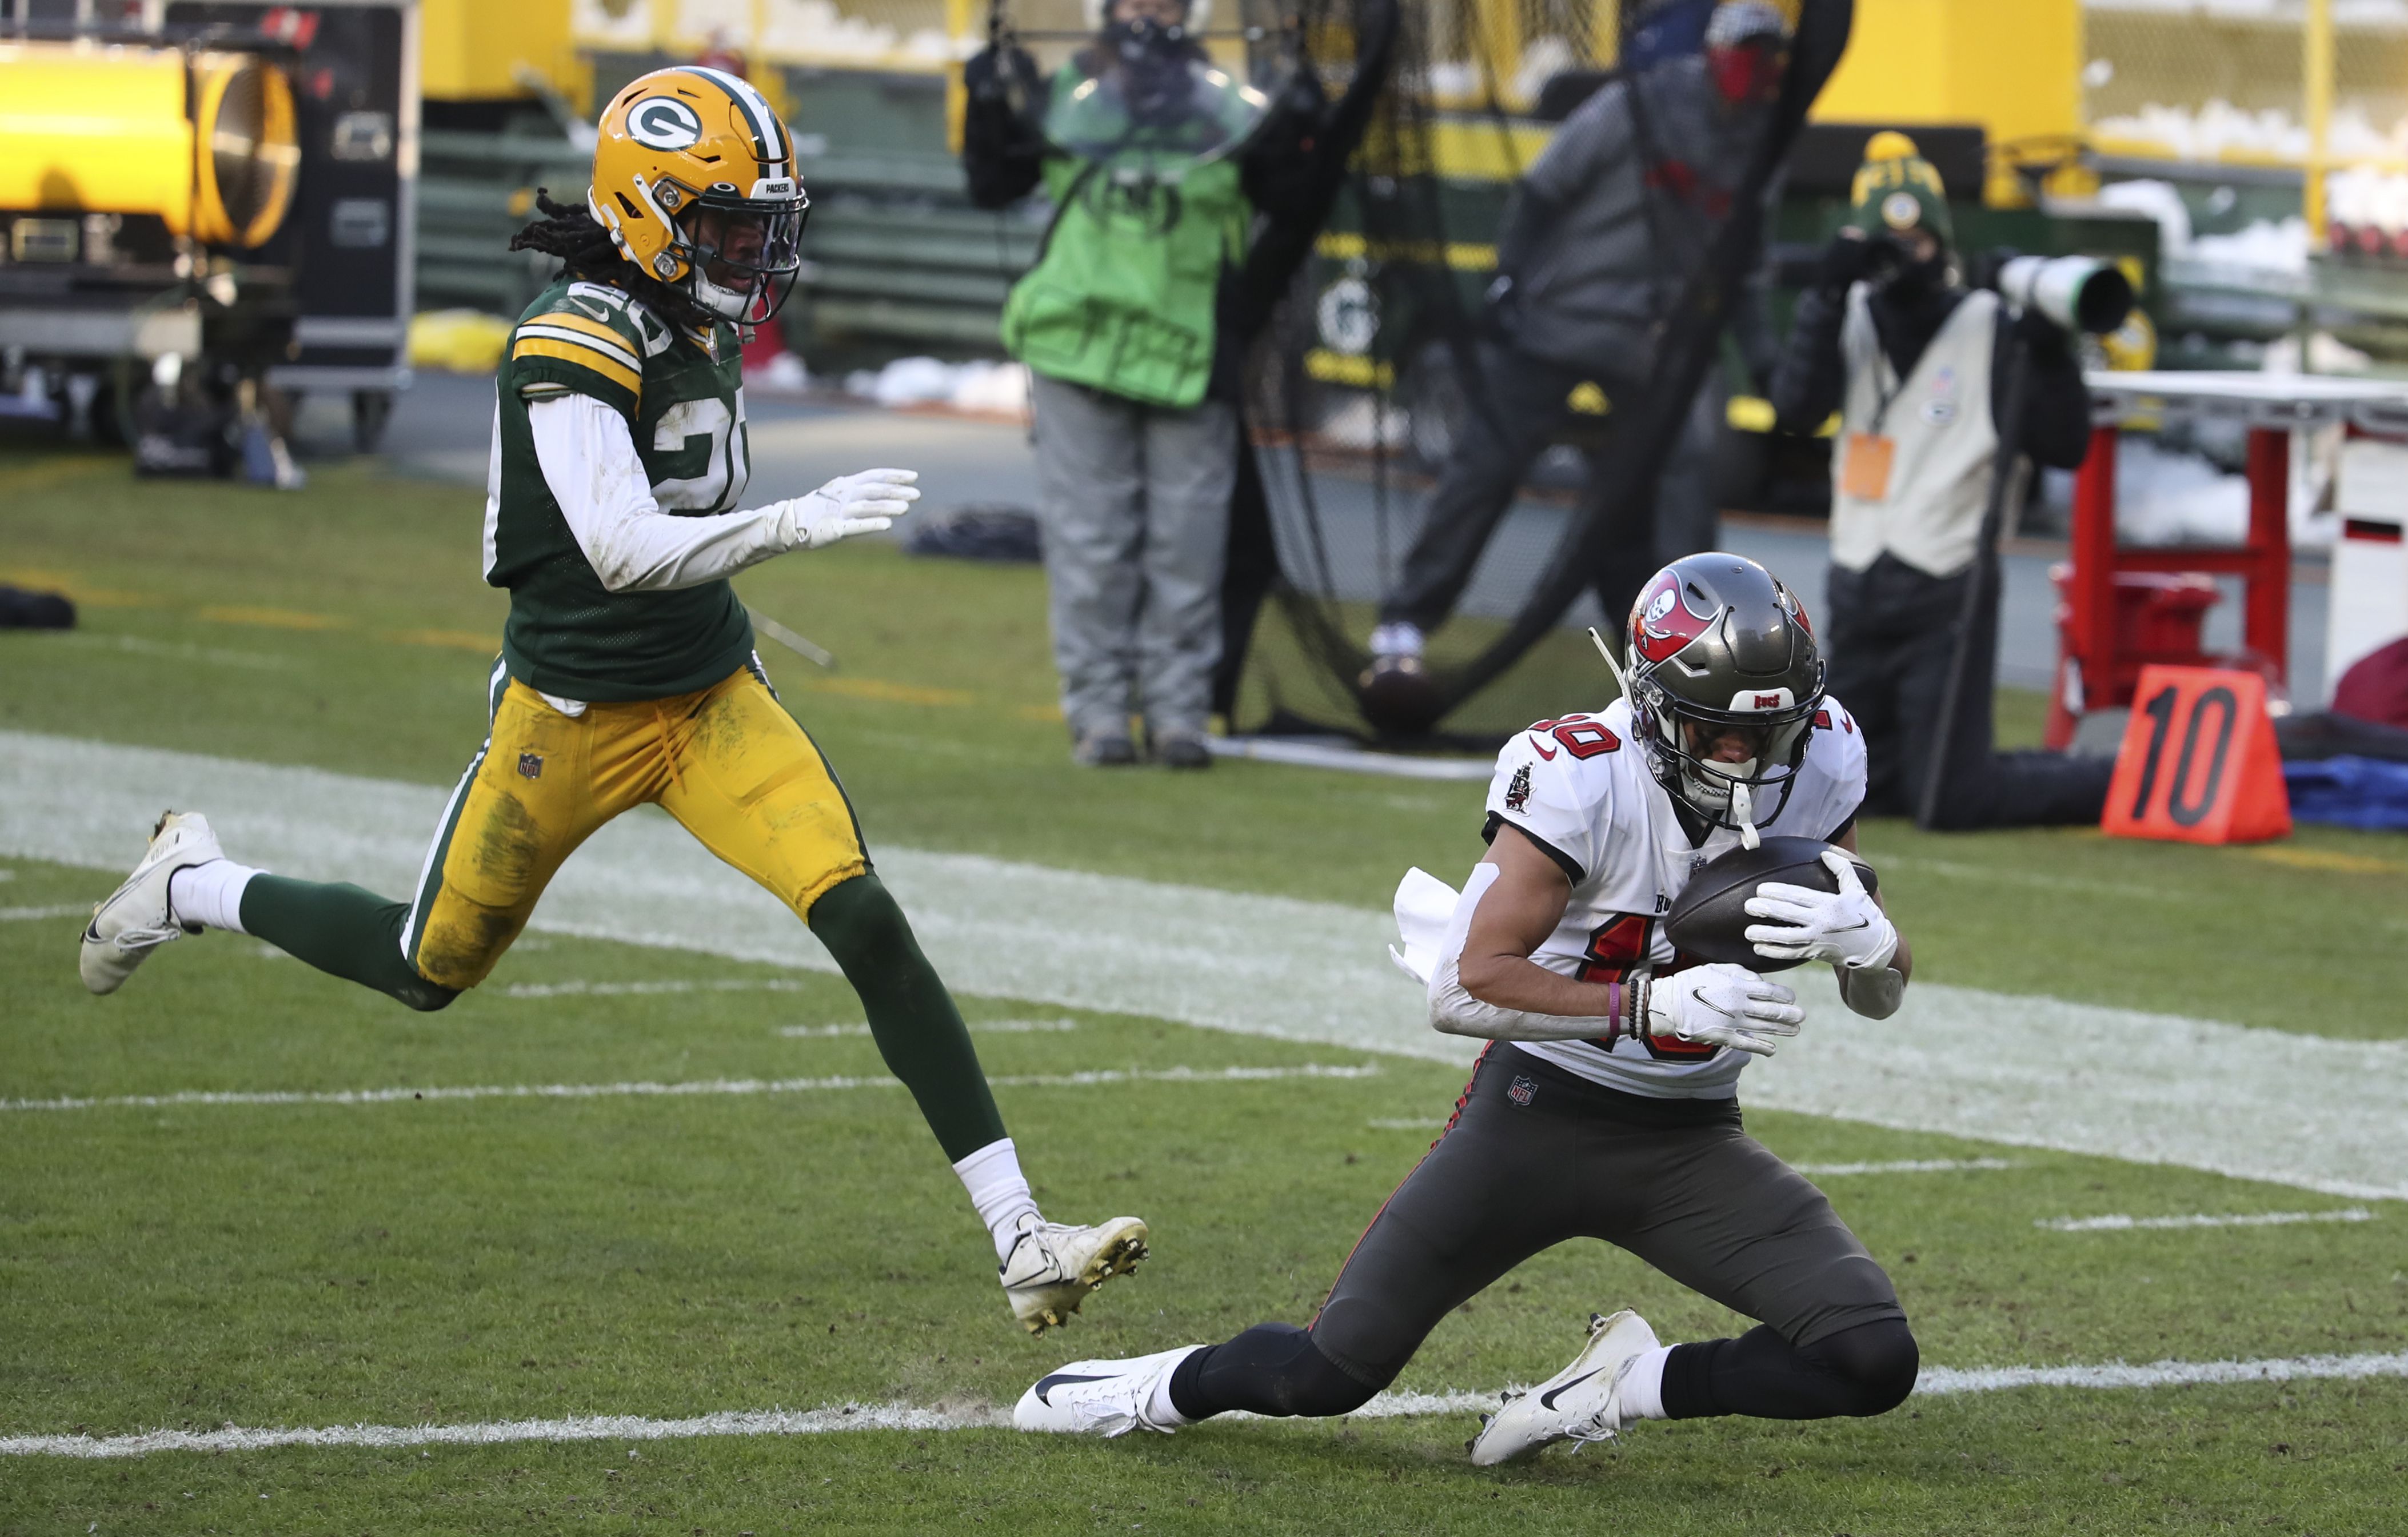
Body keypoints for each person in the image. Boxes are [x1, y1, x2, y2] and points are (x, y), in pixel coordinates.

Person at [76, 65, 1147, 1338]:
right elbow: (623, 548)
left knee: (865, 919)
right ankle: (189, 881)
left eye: (763, 226)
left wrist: (755, 542)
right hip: (572, 716)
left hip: (705, 700)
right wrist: (793, 521)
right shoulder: (568, 340)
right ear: (648, 213)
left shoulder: (685, 312)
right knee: (429, 968)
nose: (752, 253)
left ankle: (1023, 1235)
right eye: (730, 227)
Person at [1012, 552, 1921, 1460]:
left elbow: (1873, 995)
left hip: (1692, 1139)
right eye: (1713, 728)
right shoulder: (1581, 772)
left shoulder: (1822, 751)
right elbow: (1461, 985)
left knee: (1870, 1357)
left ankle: (1620, 1384)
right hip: (1537, 1116)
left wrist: (1873, 948)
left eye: (1765, 733)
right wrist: (1648, 1005)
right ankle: (1148, 1389)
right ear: (1649, 705)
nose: (1743, 757)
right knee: (1326, 1373)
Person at [1364, 0, 1789, 678]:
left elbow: (1745, 263)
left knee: (1689, 461)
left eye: (1769, 57)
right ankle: (1405, 620)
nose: (1755, 68)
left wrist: (1762, 353)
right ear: (1712, 51)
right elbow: (1542, 186)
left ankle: (1693, 631)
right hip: (1563, 314)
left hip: (1657, 339)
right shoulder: (1639, 105)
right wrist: (1509, 279)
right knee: (1488, 462)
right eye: (1746, 52)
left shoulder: (1764, 141)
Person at [964, 0, 1319, 769]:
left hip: (1189, 347)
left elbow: (1289, 202)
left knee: (1187, 547)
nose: (1149, 11)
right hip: (1076, 342)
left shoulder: (1229, 107)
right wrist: (986, 104)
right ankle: (1098, 716)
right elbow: (993, 182)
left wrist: (1299, 131)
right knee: (1091, 544)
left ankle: (1178, 716)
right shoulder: (1067, 93)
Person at [1770, 131, 2109, 827]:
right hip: (1858, 578)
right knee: (1858, 789)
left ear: (1943, 241)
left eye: (1921, 240)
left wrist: (2050, 359)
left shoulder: (1988, 322)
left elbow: (2064, 444)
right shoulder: (1852, 314)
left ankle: (2115, 778)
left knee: (1949, 799)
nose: (1906, 259)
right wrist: (1826, 296)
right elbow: (1796, 409)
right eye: (1889, 245)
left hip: (1945, 584)